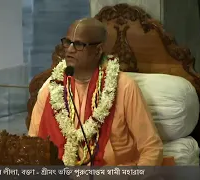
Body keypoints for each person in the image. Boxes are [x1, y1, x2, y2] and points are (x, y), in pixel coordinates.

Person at [28, 17, 165, 166]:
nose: (70, 50)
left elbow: (152, 148)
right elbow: (32, 144)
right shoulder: (52, 88)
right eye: (67, 42)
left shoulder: (124, 87)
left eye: (79, 44)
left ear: (98, 50)